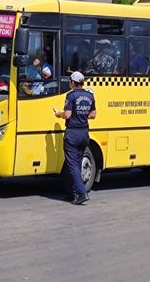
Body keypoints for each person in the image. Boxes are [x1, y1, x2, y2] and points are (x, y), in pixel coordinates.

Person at [54, 71, 96, 205]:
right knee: (77, 163)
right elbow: (93, 115)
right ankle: (72, 193)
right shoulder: (90, 95)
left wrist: (58, 114)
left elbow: (67, 115)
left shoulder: (71, 96)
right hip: (84, 133)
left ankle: (82, 193)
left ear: (72, 82)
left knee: (72, 165)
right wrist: (82, 116)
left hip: (73, 133)